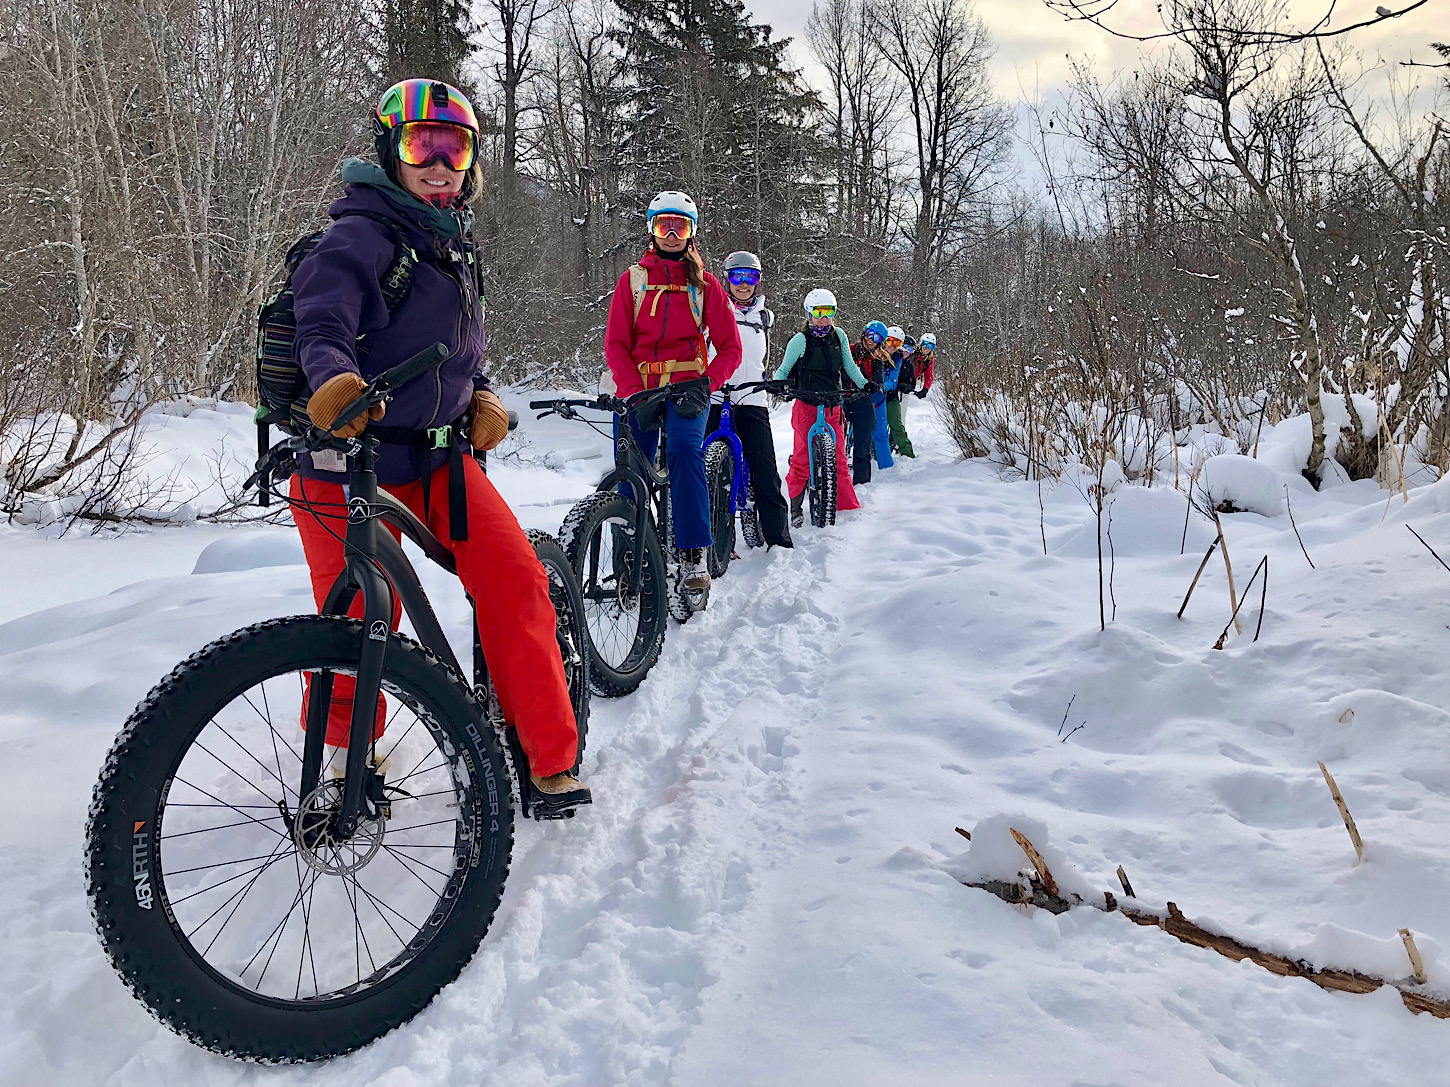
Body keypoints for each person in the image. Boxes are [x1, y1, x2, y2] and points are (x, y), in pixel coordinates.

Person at [288, 78, 587, 807]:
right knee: (359, 615)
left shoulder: (451, 240)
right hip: (347, 460)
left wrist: (479, 393)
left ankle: (546, 757)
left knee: (517, 581)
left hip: (437, 461)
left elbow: (454, 348)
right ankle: (343, 766)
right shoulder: (358, 235)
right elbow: (320, 324)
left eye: (455, 148)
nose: (439, 163)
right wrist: (333, 383)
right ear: (391, 150)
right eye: (422, 144)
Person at [603, 191, 743, 592]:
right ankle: (628, 560)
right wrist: (633, 392)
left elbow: (730, 348)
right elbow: (616, 345)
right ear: (651, 229)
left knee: (684, 452)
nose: (670, 234)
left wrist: (707, 385)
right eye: (663, 224)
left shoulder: (706, 285)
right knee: (630, 471)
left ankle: (693, 553)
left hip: (687, 391)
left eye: (679, 226)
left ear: (691, 232)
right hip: (640, 390)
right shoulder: (633, 281)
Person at [707, 251, 792, 548]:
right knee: (708, 471)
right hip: (716, 396)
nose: (743, 284)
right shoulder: (713, 312)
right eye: (737, 276)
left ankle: (778, 541)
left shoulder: (765, 317)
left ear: (758, 281)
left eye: (751, 277)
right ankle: (713, 542)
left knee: (765, 470)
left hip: (753, 398)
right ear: (726, 279)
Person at [773, 288, 868, 526]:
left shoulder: (839, 337)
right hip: (806, 404)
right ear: (809, 313)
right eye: (818, 312)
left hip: (832, 405)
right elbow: (783, 369)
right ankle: (796, 509)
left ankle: (846, 508)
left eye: (829, 312)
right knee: (801, 460)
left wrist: (866, 384)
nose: (824, 318)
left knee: (839, 460)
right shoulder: (800, 340)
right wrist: (777, 386)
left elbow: (849, 366)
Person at [847, 321, 892, 484]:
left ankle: (862, 481)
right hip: (842, 396)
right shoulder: (849, 351)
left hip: (862, 400)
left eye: (876, 338)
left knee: (863, 440)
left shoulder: (876, 360)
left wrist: (875, 387)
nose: (871, 340)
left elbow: (879, 382)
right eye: (869, 335)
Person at [882, 325, 917, 458]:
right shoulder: (875, 356)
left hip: (892, 395)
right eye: (890, 341)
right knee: (878, 427)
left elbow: (899, 380)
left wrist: (905, 386)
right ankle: (877, 453)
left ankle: (906, 452)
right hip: (875, 396)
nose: (893, 346)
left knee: (897, 425)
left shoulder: (902, 362)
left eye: (897, 343)